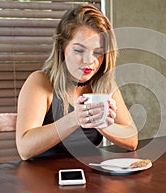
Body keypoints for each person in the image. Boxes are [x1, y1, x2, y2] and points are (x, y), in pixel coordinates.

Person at [16, 4, 138, 160]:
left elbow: (132, 139)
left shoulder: (104, 84)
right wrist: (75, 119)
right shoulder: (41, 82)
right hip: (42, 179)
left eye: (98, 52)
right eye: (79, 50)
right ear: (62, 48)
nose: (89, 61)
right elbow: (24, 148)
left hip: (87, 174)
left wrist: (104, 125)